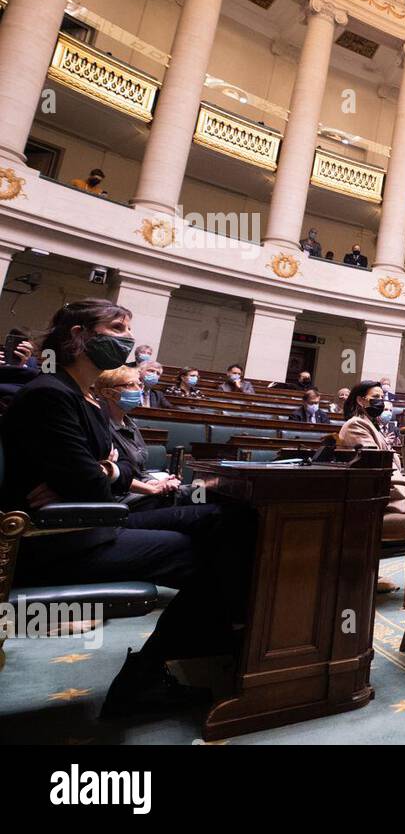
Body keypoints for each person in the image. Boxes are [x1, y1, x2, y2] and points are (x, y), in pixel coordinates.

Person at [2, 300, 253, 717]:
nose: (128, 339)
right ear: (78, 336)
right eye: (117, 328)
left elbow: (100, 471)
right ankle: (147, 677)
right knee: (206, 551)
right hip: (55, 540)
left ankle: (222, 634)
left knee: (226, 518)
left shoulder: (83, 398)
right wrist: (103, 470)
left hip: (93, 521)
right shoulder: (50, 394)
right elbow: (90, 481)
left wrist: (102, 469)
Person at [336, 381, 405, 596]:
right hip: (379, 495)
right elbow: (376, 466)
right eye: (375, 396)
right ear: (360, 399)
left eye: (382, 396)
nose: (380, 401)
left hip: (391, 489)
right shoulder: (355, 425)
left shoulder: (371, 425)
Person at [94, 366, 184, 510]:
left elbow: (140, 470)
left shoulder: (130, 424)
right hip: (119, 498)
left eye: (140, 384)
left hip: (139, 491)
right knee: (189, 496)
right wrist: (153, 488)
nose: (139, 389)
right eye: (131, 385)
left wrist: (154, 482)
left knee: (193, 492)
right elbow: (110, 474)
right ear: (108, 392)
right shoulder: (99, 425)